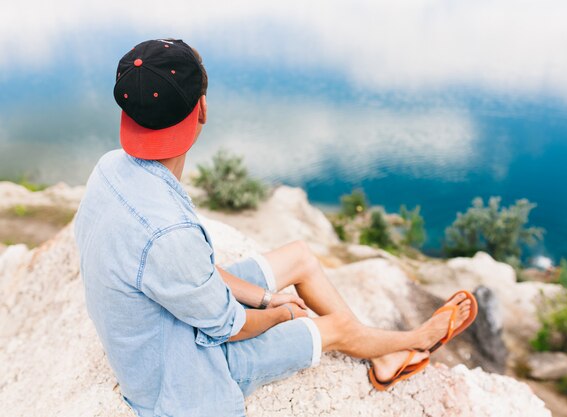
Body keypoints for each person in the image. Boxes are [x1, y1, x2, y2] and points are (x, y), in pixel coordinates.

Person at [74, 39, 478, 417]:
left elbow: (185, 272)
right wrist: (282, 315)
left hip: (167, 319)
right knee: (332, 327)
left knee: (300, 256)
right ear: (201, 110)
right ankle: (414, 342)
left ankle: (384, 357)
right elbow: (229, 327)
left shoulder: (111, 167)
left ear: (129, 112)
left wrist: (266, 297)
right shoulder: (168, 232)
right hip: (185, 375)